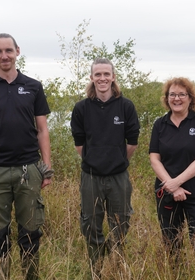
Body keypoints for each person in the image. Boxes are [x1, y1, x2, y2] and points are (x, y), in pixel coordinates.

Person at [0, 33, 53, 280]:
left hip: (28, 169)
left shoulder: (33, 86)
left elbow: (42, 129)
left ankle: (31, 276)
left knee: (30, 231)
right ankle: (2, 276)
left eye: (8, 50)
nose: (4, 56)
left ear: (17, 51)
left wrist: (46, 168)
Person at [70, 58, 140, 278]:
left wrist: (116, 161)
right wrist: (95, 161)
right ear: (91, 78)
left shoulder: (125, 106)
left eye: (106, 74)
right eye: (97, 74)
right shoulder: (81, 108)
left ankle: (117, 264)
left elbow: (132, 143)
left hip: (119, 176)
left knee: (121, 221)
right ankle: (97, 267)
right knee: (90, 223)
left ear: (113, 77)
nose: (102, 78)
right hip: (91, 176)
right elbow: (79, 145)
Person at [149, 77, 195, 273]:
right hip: (166, 192)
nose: (176, 98)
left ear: (190, 97)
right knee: (171, 243)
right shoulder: (159, 124)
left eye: (181, 94)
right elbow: (154, 159)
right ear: (167, 98)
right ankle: (177, 275)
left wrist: (177, 182)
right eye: (172, 95)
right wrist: (171, 186)